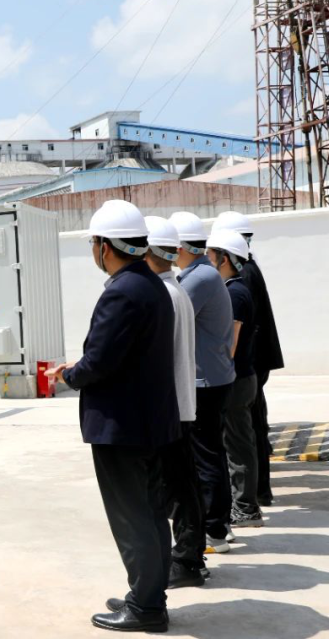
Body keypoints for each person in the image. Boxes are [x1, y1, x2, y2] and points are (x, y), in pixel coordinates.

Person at [48, 200, 179, 633]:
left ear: (105, 246)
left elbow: (100, 361)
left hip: (123, 426)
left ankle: (146, 607)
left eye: (93, 243)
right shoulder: (152, 284)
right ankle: (148, 593)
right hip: (150, 421)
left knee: (132, 517)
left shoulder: (122, 290)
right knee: (151, 513)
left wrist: (70, 373)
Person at [170, 210, 237, 555]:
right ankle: (219, 525)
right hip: (214, 377)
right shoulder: (204, 274)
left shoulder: (197, 279)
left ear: (180, 247)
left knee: (205, 457)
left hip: (205, 382)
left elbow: (168, 320)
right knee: (212, 453)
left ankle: (215, 529)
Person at [143, 217, 203, 588]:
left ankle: (187, 561)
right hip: (180, 402)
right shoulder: (175, 288)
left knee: (178, 489)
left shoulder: (163, 294)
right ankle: (188, 558)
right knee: (182, 484)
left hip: (172, 406)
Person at [213, 211, 283, 507]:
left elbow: (237, 333)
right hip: (254, 364)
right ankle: (256, 494)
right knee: (250, 430)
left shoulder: (242, 280)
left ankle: (254, 496)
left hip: (248, 366)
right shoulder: (249, 269)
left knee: (246, 433)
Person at [206, 228, 264, 529]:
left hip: (237, 381)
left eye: (210, 255)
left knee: (238, 447)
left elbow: (230, 344)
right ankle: (243, 505)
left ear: (224, 259)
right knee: (237, 444)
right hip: (241, 378)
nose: (206, 260)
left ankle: (246, 508)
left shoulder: (234, 293)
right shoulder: (234, 289)